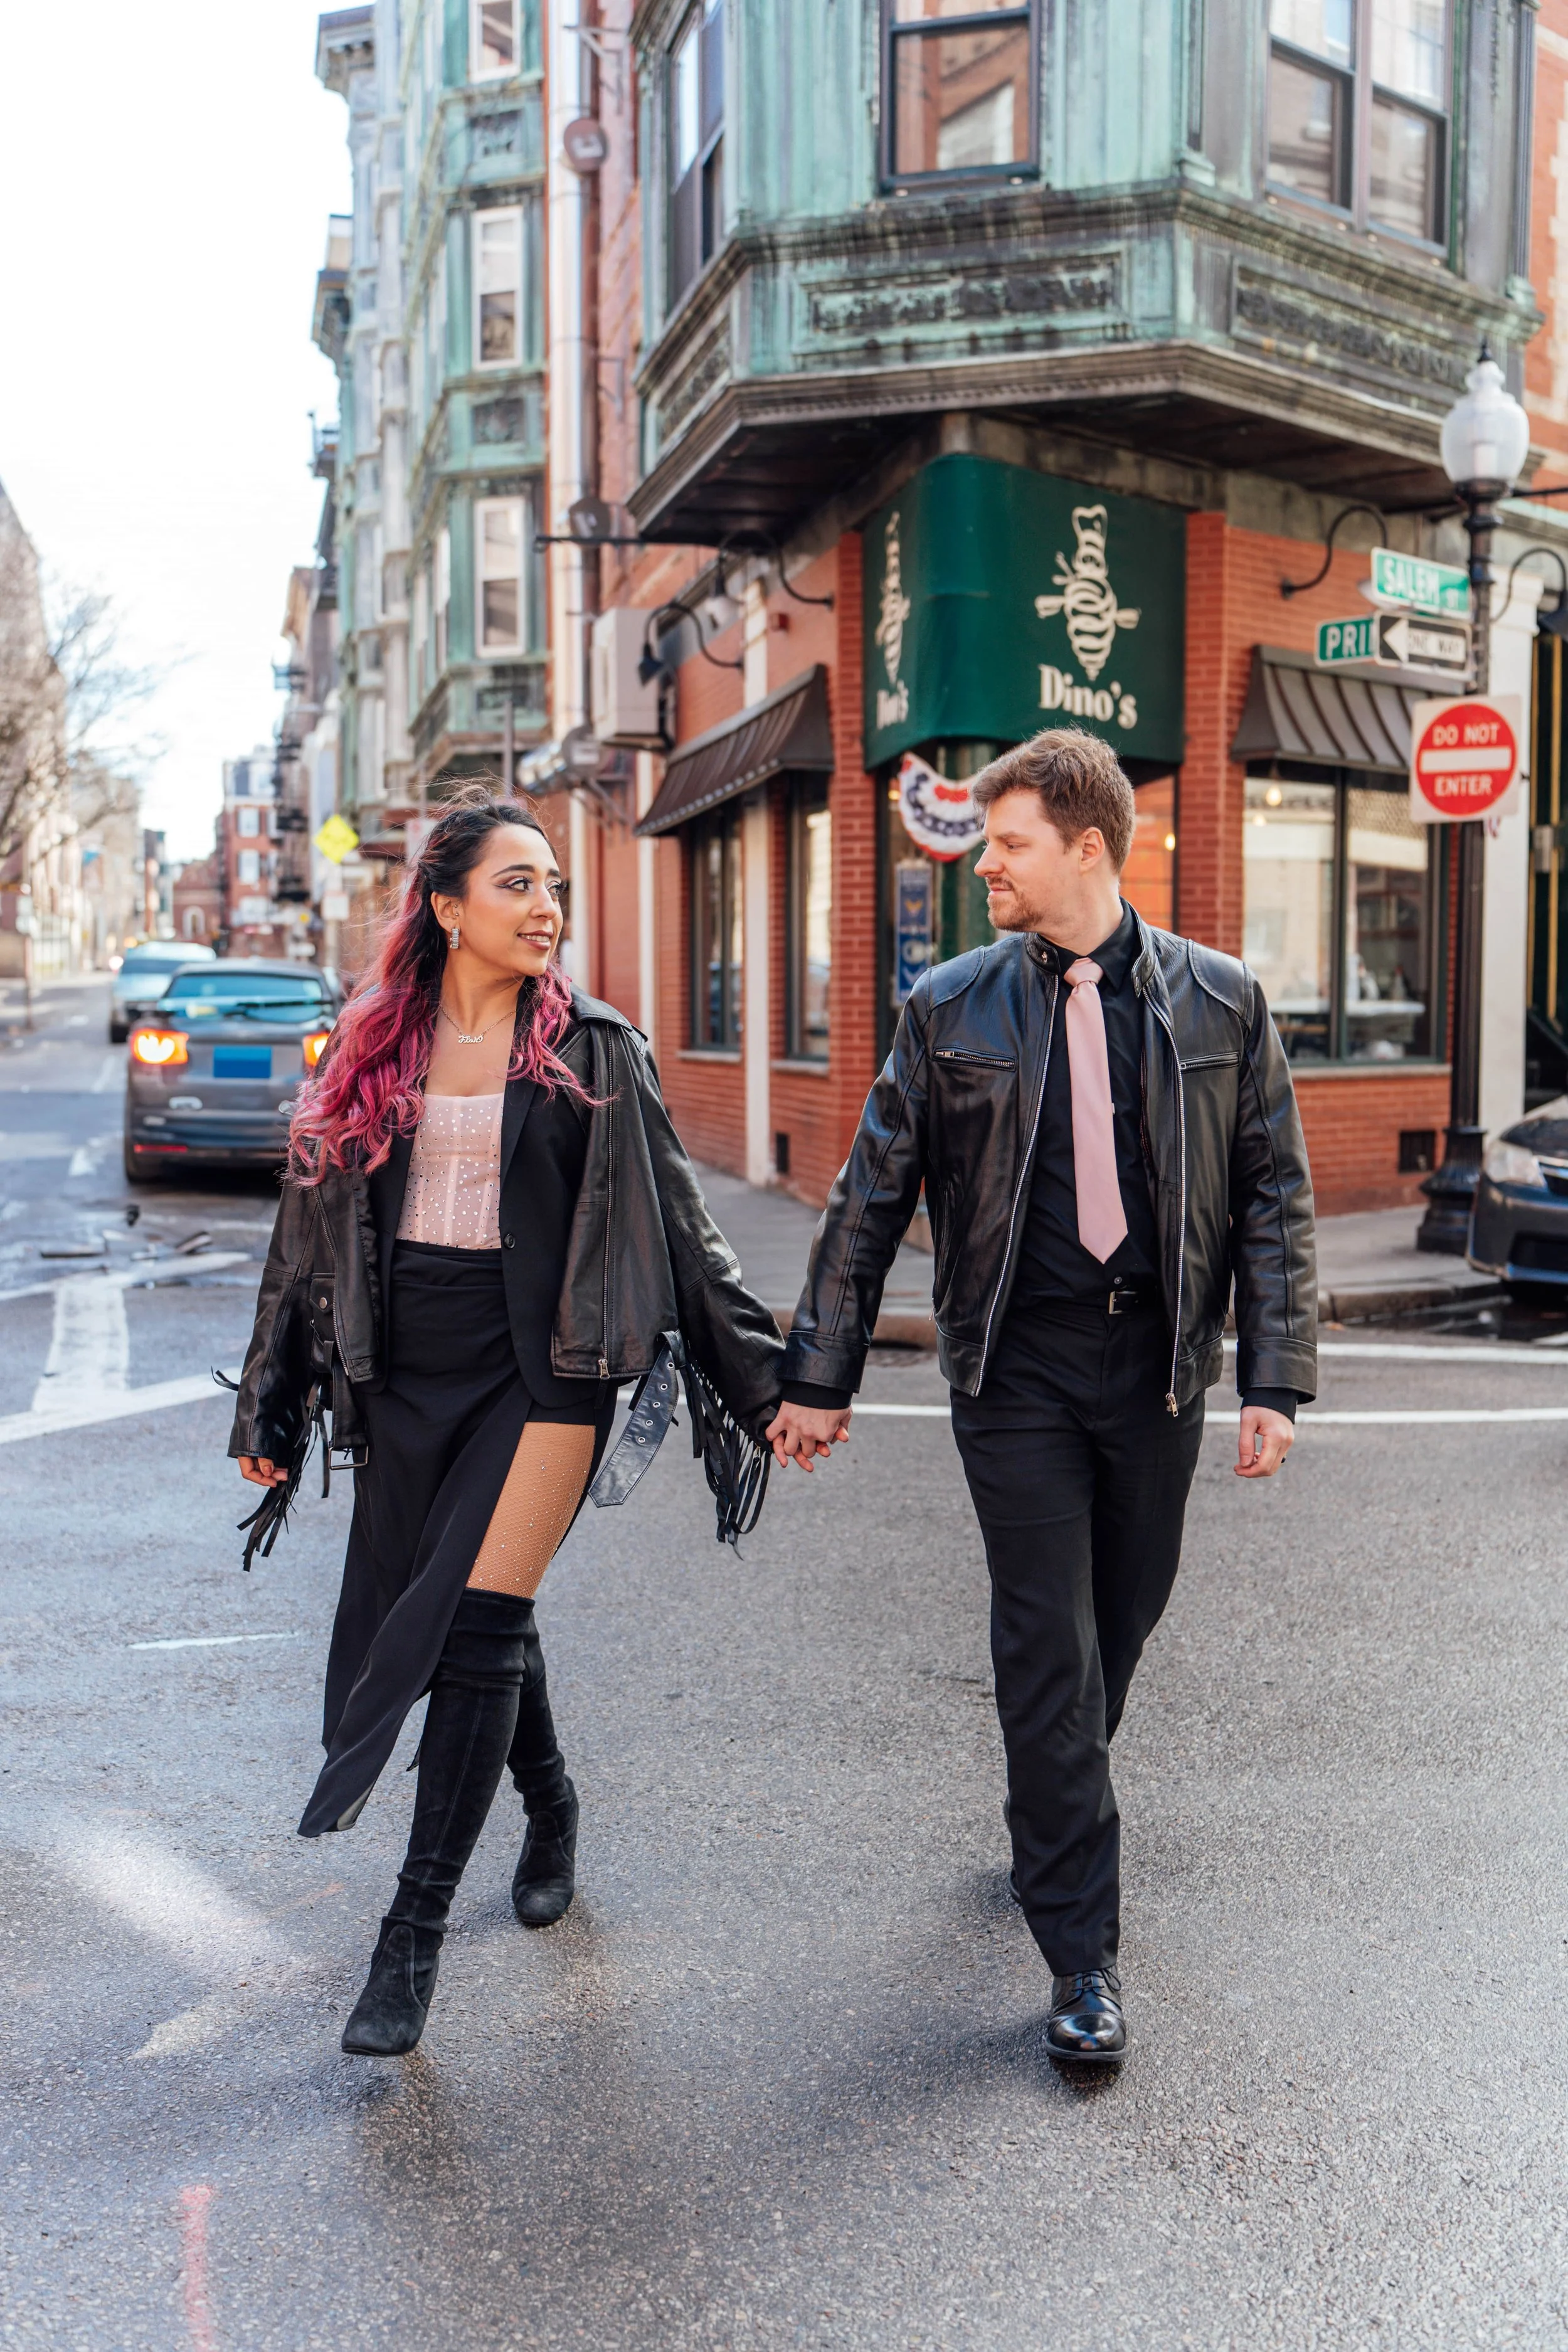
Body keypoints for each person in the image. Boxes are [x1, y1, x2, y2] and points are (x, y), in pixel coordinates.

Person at [766, 728, 1315, 2066]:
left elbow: (1270, 1195)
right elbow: (868, 1196)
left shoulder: (1219, 1001)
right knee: (1046, 1646)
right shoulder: (947, 1007)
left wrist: (1274, 1377)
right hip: (1011, 1371)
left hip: (1156, 1369)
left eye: (1004, 844)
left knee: (1115, 1626)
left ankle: (1049, 1795)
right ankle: (1081, 1960)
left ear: (1083, 847)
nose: (980, 866)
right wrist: (818, 1373)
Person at [230, 788, 783, 2057]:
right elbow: (301, 1248)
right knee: (482, 1612)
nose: (546, 909)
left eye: (553, 888)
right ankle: (551, 1804)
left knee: (476, 1620)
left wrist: (767, 1389)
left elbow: (679, 1233)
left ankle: (409, 1937)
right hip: (405, 1375)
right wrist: (272, 1403)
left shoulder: (594, 1048)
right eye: (516, 886)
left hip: (546, 1369)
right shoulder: (369, 1048)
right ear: (445, 907)